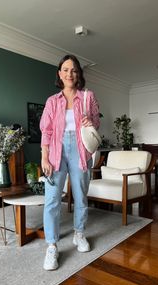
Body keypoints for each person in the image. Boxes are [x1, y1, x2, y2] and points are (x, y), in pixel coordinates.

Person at [40, 54, 100, 270]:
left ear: (78, 74)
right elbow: (46, 131)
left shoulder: (87, 97)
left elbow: (96, 122)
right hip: (56, 151)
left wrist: (90, 120)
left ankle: (79, 233)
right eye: (65, 69)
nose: (69, 73)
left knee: (81, 195)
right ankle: (52, 246)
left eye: (74, 70)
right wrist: (44, 157)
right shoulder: (51, 101)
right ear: (59, 73)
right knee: (52, 199)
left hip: (80, 149)